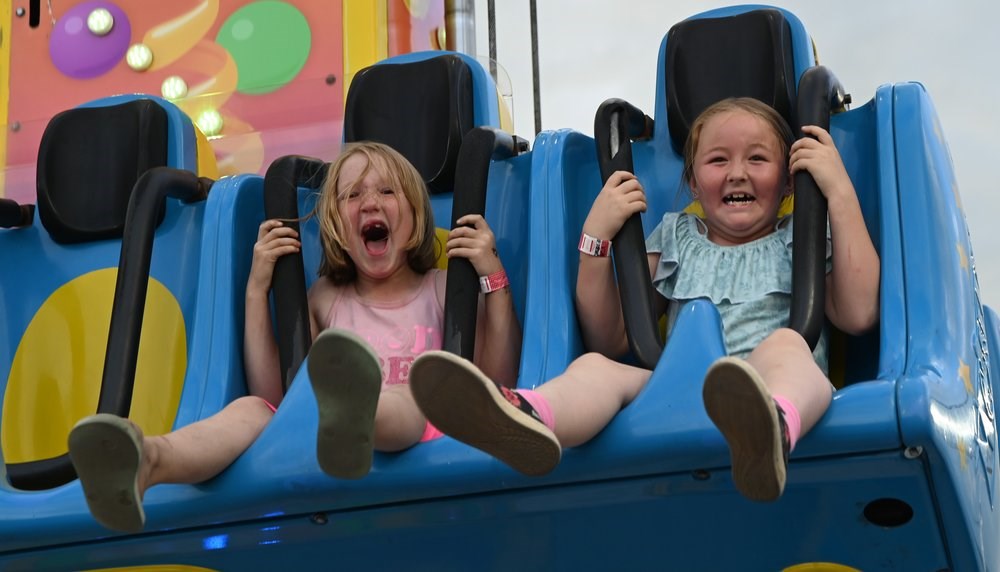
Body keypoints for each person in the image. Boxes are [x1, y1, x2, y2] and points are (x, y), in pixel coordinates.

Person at [410, 97, 879, 502]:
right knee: (595, 370)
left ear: (789, 181)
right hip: (679, 387)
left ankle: (770, 428)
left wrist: (836, 189)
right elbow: (609, 335)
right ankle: (526, 417)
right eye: (718, 161)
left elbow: (857, 312)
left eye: (758, 159)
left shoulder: (802, 236)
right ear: (694, 183)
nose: (737, 172)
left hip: (768, 387)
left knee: (788, 347)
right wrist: (596, 236)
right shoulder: (677, 236)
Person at [67, 141, 522, 532]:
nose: (370, 203)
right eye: (351, 195)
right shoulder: (325, 299)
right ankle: (147, 459)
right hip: (329, 445)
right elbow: (277, 396)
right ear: (337, 228)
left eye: (387, 191)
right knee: (249, 409)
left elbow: (496, 377)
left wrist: (493, 277)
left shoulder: (443, 287)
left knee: (406, 397)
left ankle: (362, 415)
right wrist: (256, 289)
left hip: (419, 434)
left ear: (416, 217)